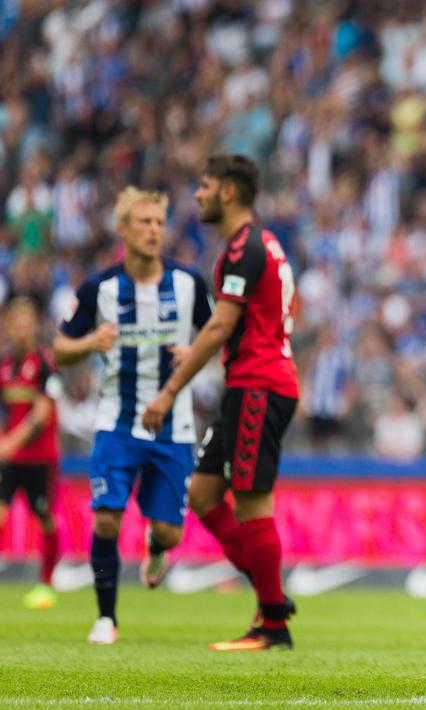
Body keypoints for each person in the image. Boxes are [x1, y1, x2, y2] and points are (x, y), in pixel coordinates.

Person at [142, 155, 300, 652]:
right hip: (249, 382)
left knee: (251, 501)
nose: (198, 194)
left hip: (259, 385)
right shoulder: (260, 243)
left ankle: (272, 623)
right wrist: (205, 350)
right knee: (204, 494)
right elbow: (246, 322)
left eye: (205, 186)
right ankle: (271, 596)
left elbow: (221, 324)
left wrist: (171, 389)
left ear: (228, 192)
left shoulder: (243, 247)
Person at [54, 187, 212, 644]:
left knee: (169, 531)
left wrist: (197, 353)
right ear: (123, 229)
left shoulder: (188, 284)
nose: (153, 230)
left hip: (173, 425)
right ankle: (106, 617)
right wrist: (90, 343)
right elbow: (60, 349)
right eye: (144, 222)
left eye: (159, 222)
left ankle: (156, 547)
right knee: (106, 517)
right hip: (116, 422)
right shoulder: (99, 288)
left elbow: (218, 335)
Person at [0, 296, 62, 609]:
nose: (21, 328)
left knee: (44, 519)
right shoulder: (4, 365)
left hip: (40, 458)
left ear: (35, 326)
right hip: (10, 460)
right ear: (8, 326)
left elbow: (42, 414)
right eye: (16, 322)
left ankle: (47, 583)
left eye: (27, 322)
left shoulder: (46, 364)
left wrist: (10, 442)